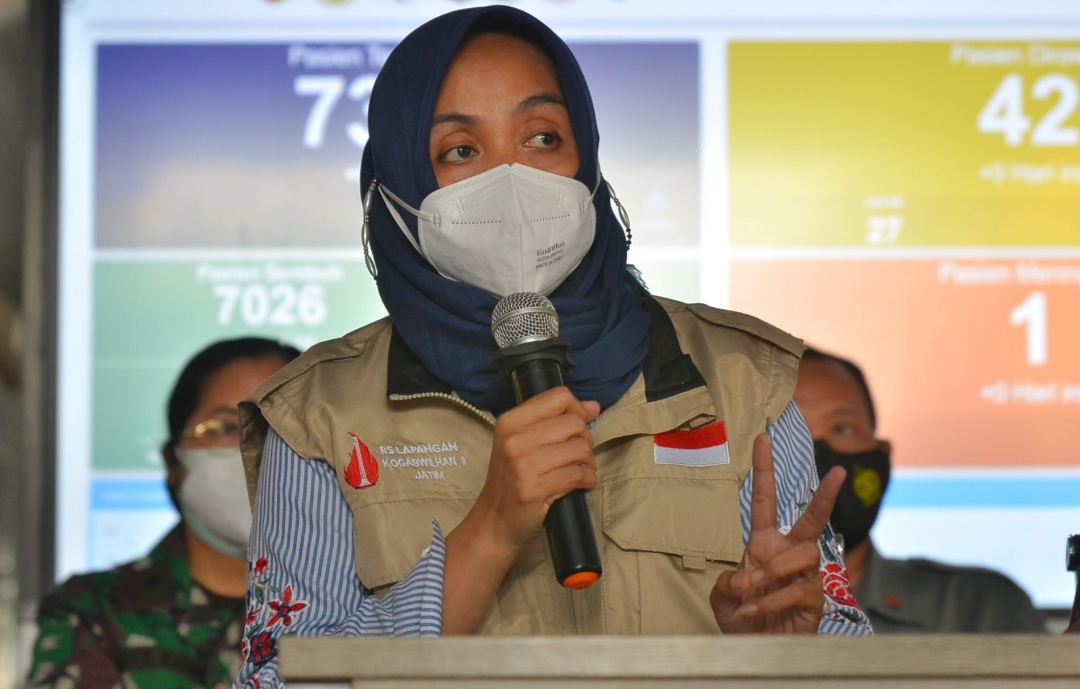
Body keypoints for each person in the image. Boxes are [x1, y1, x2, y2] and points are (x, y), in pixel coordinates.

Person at [235, 7, 871, 688]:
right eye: (460, 151)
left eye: (542, 137)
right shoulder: (319, 417)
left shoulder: (742, 380)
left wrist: (783, 655)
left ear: (588, 159)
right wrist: (488, 534)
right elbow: (274, 678)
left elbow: (844, 653)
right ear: (396, 184)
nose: (512, 179)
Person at [27, 338, 301, 689]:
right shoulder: (93, 609)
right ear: (174, 459)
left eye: (282, 428)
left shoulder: (366, 610)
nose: (255, 451)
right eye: (225, 429)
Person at [794, 346, 1046, 633]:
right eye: (787, 433)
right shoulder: (734, 614)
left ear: (882, 455)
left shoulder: (979, 610)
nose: (818, 458)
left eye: (842, 429)